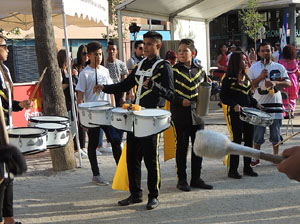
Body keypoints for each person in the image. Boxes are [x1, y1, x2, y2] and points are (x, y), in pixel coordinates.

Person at [94, 31, 175, 210]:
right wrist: (104, 88)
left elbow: (171, 94)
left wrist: (153, 85)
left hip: (152, 119)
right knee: (132, 158)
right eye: (143, 44)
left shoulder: (164, 67)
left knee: (151, 159)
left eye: (149, 44)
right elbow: (125, 85)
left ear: (158, 46)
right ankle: (136, 194)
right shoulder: (139, 65)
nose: (145, 47)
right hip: (135, 117)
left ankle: (153, 195)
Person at [75, 41, 122, 185]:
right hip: (92, 115)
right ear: (88, 56)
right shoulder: (84, 74)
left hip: (107, 112)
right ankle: (96, 174)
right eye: (96, 55)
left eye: (100, 54)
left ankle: (121, 171)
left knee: (115, 140)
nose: (99, 57)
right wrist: (82, 119)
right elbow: (80, 97)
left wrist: (114, 109)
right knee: (93, 143)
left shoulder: (105, 70)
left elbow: (111, 91)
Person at [171, 38, 213, 191]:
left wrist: (210, 88)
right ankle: (181, 180)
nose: (181, 53)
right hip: (180, 114)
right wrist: (180, 101)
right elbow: (169, 93)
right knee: (182, 147)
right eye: (180, 51)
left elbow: (204, 89)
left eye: (185, 51)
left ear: (193, 53)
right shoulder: (173, 70)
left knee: (198, 147)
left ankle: (196, 178)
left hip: (198, 114)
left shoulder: (201, 70)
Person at [0, 34, 31, 224]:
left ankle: (9, 219)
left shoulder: (3, 70)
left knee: (8, 175)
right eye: (4, 46)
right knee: (1, 177)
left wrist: (20, 104)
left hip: (4, 126)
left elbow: (5, 100)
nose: (8, 49)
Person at [247, 42, 291, 166]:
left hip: (276, 105)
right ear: (258, 53)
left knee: (275, 134)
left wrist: (276, 83)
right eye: (263, 51)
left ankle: (275, 156)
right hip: (260, 106)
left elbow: (288, 83)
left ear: (271, 51)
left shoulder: (279, 67)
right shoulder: (254, 68)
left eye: (267, 50)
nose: (265, 53)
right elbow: (250, 85)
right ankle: (256, 157)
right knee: (258, 134)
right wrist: (260, 76)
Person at [220, 51, 262, 179]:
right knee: (237, 141)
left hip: (248, 112)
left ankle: (247, 167)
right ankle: (233, 170)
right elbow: (223, 96)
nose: (245, 62)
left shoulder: (245, 77)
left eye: (245, 59)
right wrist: (234, 105)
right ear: (236, 61)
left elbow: (248, 95)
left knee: (249, 139)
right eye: (243, 60)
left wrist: (256, 104)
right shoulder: (228, 77)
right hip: (235, 113)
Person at [73, 45, 89, 153]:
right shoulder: (75, 67)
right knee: (79, 122)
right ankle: (78, 147)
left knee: (86, 123)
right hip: (77, 98)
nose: (86, 56)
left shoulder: (89, 67)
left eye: (87, 53)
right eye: (83, 53)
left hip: (88, 98)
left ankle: (84, 146)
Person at [278, 44, 299, 118]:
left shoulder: (280, 62)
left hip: (284, 81)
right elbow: (297, 72)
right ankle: (291, 112)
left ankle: (285, 112)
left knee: (284, 98)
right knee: (292, 98)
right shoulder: (294, 62)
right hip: (293, 81)